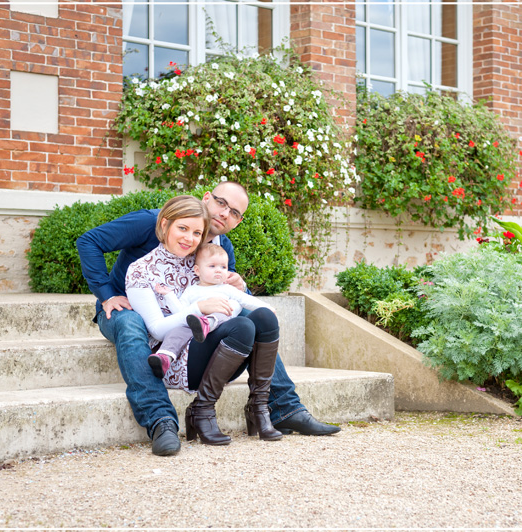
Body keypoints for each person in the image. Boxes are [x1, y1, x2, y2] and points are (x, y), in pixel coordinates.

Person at [76, 181, 340, 456]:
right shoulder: (150, 222)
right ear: (206, 198)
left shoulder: (221, 245)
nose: (225, 214)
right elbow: (89, 241)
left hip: (185, 321)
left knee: (253, 317)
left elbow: (224, 297)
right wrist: (107, 294)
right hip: (127, 307)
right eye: (222, 203)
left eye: (235, 213)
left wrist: (240, 287)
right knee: (131, 324)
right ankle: (160, 419)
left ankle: (284, 407)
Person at [126, 195, 282, 444]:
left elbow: (233, 299)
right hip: (176, 360)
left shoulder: (203, 262)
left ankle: (259, 408)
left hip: (220, 357)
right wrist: (198, 308)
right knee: (242, 325)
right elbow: (156, 330)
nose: (190, 238)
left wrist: (238, 287)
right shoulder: (141, 270)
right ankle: (203, 410)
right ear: (165, 224)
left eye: (197, 233)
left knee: (263, 316)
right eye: (183, 228)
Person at [148, 243, 275, 379]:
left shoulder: (227, 289)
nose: (219, 270)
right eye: (212, 266)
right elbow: (181, 312)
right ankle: (165, 357)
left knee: (226, 308)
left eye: (223, 267)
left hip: (220, 329)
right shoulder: (192, 290)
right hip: (194, 329)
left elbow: (246, 300)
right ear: (197, 270)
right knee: (176, 331)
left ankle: (208, 322)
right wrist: (169, 295)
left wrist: (267, 307)